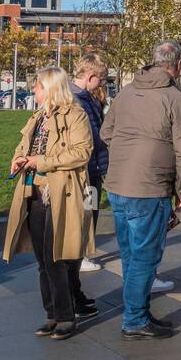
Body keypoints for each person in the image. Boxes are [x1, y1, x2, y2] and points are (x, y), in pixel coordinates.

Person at [101, 40, 181, 338]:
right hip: (149, 187)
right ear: (177, 65)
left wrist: (125, 154)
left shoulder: (126, 93)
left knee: (130, 254)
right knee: (145, 256)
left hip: (117, 184)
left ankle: (136, 311)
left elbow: (106, 132)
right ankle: (135, 317)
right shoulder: (174, 98)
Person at [3, 68, 94, 339]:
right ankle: (52, 313)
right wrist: (20, 157)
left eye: (38, 87)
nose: (34, 91)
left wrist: (39, 162)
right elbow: (26, 146)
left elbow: (81, 153)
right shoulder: (38, 117)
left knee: (57, 257)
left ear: (51, 88)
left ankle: (66, 315)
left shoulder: (76, 115)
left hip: (61, 193)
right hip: (34, 192)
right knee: (42, 259)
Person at [71, 55, 110, 274]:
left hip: (92, 166)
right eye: (101, 79)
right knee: (86, 210)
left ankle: (82, 252)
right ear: (90, 76)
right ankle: (81, 254)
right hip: (87, 167)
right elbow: (92, 136)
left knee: (90, 208)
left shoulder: (85, 97)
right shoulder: (79, 100)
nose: (102, 83)